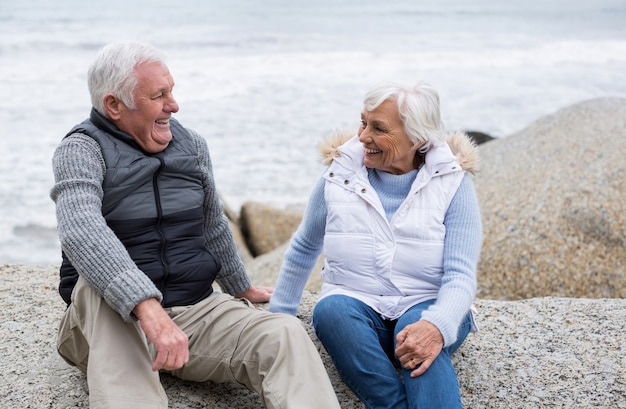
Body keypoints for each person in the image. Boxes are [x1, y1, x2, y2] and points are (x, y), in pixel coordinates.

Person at [50, 40, 341, 409]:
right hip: (109, 324)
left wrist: (241, 286)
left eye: (171, 91)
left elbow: (212, 225)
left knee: (283, 333)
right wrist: (148, 308)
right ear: (114, 105)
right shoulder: (81, 149)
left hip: (194, 314)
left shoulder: (191, 146)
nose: (173, 105)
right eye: (159, 95)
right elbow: (81, 230)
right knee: (96, 285)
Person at [268, 82, 482, 409]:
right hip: (357, 309)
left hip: (427, 304)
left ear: (418, 139)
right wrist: (279, 319)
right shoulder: (339, 176)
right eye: (363, 122)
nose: (363, 136)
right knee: (331, 310)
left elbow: (460, 276)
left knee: (416, 333)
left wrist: (436, 326)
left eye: (379, 128)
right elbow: (303, 248)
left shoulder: (453, 182)